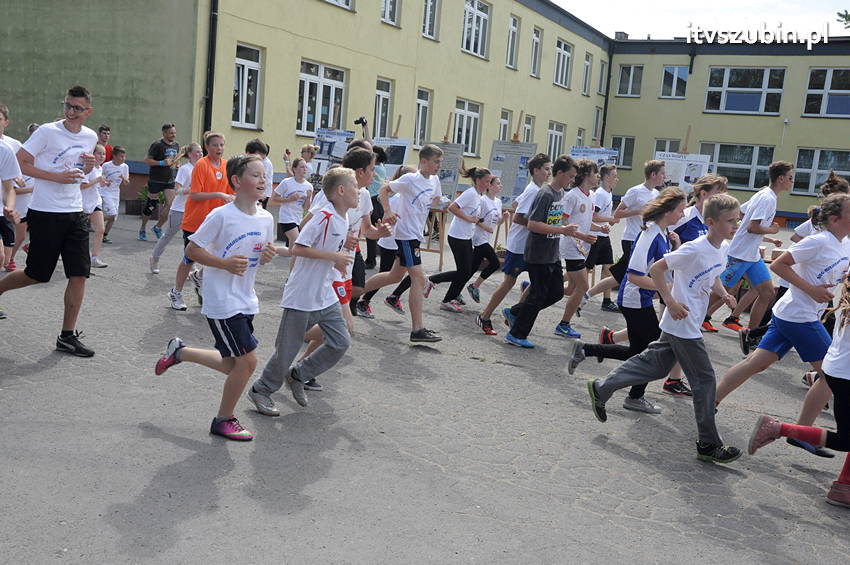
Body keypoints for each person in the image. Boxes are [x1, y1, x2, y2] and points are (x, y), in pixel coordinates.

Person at [580, 193, 743, 464]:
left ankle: (602, 387)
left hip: (684, 322)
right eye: (729, 221)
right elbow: (656, 269)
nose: (735, 226)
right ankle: (708, 443)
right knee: (705, 381)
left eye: (736, 220)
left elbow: (713, 273)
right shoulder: (694, 248)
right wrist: (669, 299)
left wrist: (724, 294)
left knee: (654, 366)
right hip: (683, 323)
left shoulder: (720, 249)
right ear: (711, 222)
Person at [154, 154, 276, 441]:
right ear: (236, 181)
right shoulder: (221, 215)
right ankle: (223, 419)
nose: (263, 180)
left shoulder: (266, 218)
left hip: (246, 299)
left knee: (234, 364)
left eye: (264, 175)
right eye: (256, 175)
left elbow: (260, 256)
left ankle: (180, 352)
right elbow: (192, 250)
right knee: (247, 364)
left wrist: (268, 256)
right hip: (222, 300)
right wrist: (223, 263)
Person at [716, 194, 850, 419]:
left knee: (755, 363)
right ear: (835, 219)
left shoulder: (845, 244)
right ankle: (801, 432)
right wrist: (812, 290)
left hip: (789, 314)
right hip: (800, 316)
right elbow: (779, 265)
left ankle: (710, 401)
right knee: (832, 374)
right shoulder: (818, 241)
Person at [567, 187, 686, 413]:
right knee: (653, 353)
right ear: (668, 210)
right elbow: (633, 275)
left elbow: (662, 265)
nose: (682, 214)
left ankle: (587, 350)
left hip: (640, 299)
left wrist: (677, 246)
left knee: (639, 352)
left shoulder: (662, 232)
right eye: (680, 210)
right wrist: (668, 288)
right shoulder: (649, 235)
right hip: (633, 299)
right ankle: (631, 396)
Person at [247, 167, 356, 413]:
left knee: (340, 341)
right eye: (354, 188)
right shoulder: (323, 215)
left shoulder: (343, 216)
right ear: (340, 191)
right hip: (302, 295)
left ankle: (299, 374)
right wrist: (334, 256)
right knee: (287, 350)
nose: (358, 192)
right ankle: (261, 389)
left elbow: (331, 248)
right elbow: (299, 248)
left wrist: (342, 251)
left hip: (324, 295)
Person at [0, 85, 97, 355]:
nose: (70, 112)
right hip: (45, 212)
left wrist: (88, 167)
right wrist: (57, 177)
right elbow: (22, 162)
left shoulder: (89, 137)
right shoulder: (47, 131)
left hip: (75, 212)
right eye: (67, 105)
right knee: (36, 274)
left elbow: (82, 169)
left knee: (79, 274)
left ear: (87, 111)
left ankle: (67, 336)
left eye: (77, 108)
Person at [748, 271, 850, 508]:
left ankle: (843, 486)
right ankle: (779, 428)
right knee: (846, 439)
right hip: (844, 374)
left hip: (837, 369)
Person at [359, 144, 445, 343]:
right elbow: (383, 190)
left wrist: (442, 203)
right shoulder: (409, 179)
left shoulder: (435, 180)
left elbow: (434, 200)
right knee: (419, 279)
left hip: (416, 234)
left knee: (395, 276)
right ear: (424, 161)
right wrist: (388, 211)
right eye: (436, 162)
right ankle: (417, 329)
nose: (439, 166)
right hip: (406, 235)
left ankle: (355, 292)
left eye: (440, 162)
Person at [503, 155, 579, 348]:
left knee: (555, 293)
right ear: (559, 173)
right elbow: (533, 224)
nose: (572, 180)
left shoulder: (560, 193)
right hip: (538, 254)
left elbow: (556, 219)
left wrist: (577, 233)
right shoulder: (545, 194)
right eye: (570, 176)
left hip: (552, 253)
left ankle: (516, 312)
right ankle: (517, 334)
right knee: (538, 295)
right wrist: (562, 230)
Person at [711, 161, 794, 332]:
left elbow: (742, 212)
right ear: (780, 179)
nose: (792, 182)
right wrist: (771, 229)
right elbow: (752, 227)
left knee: (767, 293)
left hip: (752, 255)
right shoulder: (767, 198)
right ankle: (691, 320)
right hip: (740, 254)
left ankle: (752, 334)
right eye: (790, 178)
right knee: (722, 292)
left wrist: (741, 227)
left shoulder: (764, 193)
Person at [476, 153, 552, 335]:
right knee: (508, 283)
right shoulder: (534, 190)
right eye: (546, 169)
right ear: (536, 170)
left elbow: (517, 203)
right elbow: (518, 217)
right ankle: (485, 316)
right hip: (519, 246)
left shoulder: (535, 189)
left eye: (550, 169)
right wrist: (543, 225)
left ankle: (515, 311)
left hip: (530, 245)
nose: (549, 172)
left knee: (540, 281)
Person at [585, 161, 666, 302]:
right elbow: (618, 213)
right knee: (633, 274)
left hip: (647, 240)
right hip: (632, 238)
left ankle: (588, 296)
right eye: (662, 173)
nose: (664, 177)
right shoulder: (635, 191)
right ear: (653, 174)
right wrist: (639, 211)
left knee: (619, 274)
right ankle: (626, 302)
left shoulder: (656, 194)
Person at [172, 132, 233, 309]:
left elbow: (231, 192)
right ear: (207, 147)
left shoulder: (226, 165)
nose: (219, 148)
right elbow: (195, 194)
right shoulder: (201, 165)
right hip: (195, 221)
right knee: (189, 258)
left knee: (219, 256)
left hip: (215, 222)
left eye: (221, 145)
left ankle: (199, 277)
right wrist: (219, 194)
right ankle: (176, 292)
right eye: (215, 145)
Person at [425, 166, 493, 312]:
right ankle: (444, 295)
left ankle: (444, 289)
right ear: (478, 180)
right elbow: (453, 207)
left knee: (466, 271)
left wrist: (476, 220)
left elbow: (473, 215)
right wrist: (469, 218)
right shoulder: (470, 193)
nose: (489, 184)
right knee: (464, 272)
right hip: (457, 237)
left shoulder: (478, 196)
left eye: (490, 181)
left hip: (466, 236)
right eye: (487, 181)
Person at [553, 159, 608, 338]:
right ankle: (563, 324)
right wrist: (582, 236)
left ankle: (535, 289)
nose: (598, 176)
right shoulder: (572, 195)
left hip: (582, 247)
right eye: (595, 173)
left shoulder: (590, 195)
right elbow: (563, 221)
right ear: (585, 175)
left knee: (570, 289)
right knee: (583, 286)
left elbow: (585, 221)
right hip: (571, 246)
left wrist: (600, 228)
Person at [354, 165, 416, 316]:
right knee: (386, 275)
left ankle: (392, 297)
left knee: (414, 274)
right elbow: (387, 219)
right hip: (391, 242)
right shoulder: (396, 199)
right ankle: (361, 299)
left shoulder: (407, 198)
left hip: (404, 241)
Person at [150, 142, 202, 278]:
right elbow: (177, 189)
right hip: (179, 209)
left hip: (194, 210)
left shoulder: (202, 168)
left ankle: (191, 264)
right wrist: (190, 190)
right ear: (190, 154)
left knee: (192, 239)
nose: (200, 154)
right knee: (169, 235)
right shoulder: (185, 169)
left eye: (201, 151)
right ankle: (154, 258)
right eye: (197, 152)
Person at [466, 176, 509, 304]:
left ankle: (455, 290)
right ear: (489, 186)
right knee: (495, 263)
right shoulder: (483, 200)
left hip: (486, 238)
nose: (500, 186)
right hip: (479, 238)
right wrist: (486, 227)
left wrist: (505, 218)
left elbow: (498, 222)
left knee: (471, 269)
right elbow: (476, 219)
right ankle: (474, 286)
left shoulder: (498, 202)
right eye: (498, 183)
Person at [585, 164, 620, 312]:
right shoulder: (600, 194)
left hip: (604, 236)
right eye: (614, 176)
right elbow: (593, 216)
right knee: (584, 270)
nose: (617, 179)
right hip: (595, 236)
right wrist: (610, 219)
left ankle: (606, 301)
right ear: (606, 177)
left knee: (608, 267)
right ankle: (551, 285)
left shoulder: (608, 192)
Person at [140, 123, 179, 240]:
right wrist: (161, 163)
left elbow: (174, 160)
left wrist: (177, 164)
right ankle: (142, 228)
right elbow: (146, 160)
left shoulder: (176, 145)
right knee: (151, 206)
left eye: (174, 132)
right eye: (171, 133)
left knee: (172, 205)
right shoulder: (157, 145)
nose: (173, 135)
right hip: (156, 179)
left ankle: (158, 227)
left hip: (169, 180)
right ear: (164, 133)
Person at [271, 157, 312, 248]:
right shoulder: (286, 182)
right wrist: (289, 199)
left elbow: (306, 208)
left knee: (291, 251)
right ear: (294, 169)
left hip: (298, 219)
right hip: (286, 218)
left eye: (306, 167)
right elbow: (274, 198)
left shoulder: (309, 186)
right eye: (302, 167)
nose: (305, 169)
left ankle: (272, 250)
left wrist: (308, 197)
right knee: (298, 243)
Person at [79, 144, 107, 267]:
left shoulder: (100, 168)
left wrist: (103, 183)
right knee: (71, 233)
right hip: (82, 204)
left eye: (104, 154)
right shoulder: (88, 168)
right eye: (99, 153)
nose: (102, 156)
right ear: (92, 154)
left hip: (95, 202)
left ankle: (94, 258)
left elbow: (96, 184)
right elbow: (82, 186)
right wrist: (97, 180)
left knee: (101, 230)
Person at [364, 145, 388, 269]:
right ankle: (373, 257)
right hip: (379, 201)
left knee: (370, 232)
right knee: (375, 230)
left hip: (373, 200)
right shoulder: (382, 167)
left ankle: (370, 260)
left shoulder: (376, 169)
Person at [99, 147, 129, 243]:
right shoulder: (106, 165)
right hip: (105, 192)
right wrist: (105, 182)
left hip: (115, 193)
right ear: (114, 156)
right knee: (112, 213)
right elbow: (100, 178)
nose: (123, 158)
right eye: (121, 156)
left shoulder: (125, 167)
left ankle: (104, 235)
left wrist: (124, 179)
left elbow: (126, 182)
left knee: (113, 217)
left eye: (124, 156)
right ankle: (93, 219)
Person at [245, 138, 273, 208]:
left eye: (263, 158)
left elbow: (265, 181)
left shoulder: (266, 163)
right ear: (248, 153)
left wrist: (262, 194)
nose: (260, 161)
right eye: (258, 158)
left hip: (260, 194)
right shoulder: (240, 165)